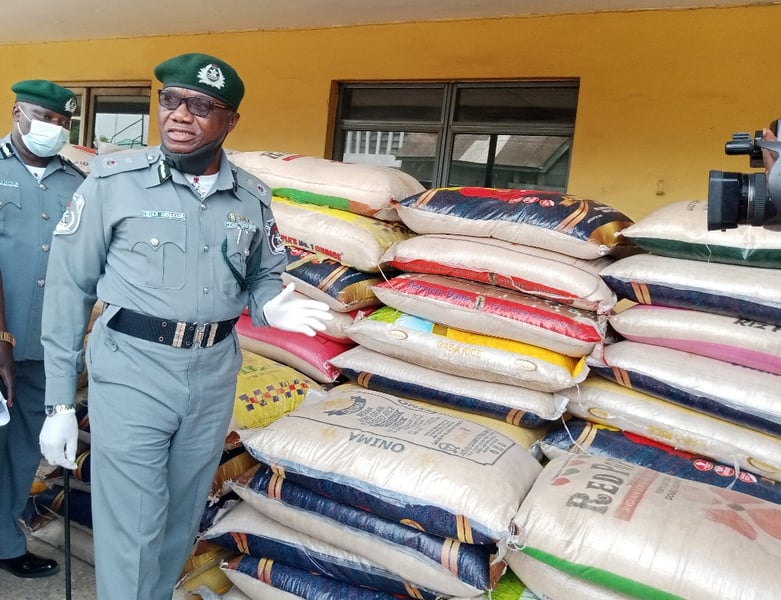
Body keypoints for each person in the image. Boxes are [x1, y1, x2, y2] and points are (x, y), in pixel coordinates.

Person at [38, 53, 332, 600]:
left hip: (214, 370)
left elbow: (265, 274)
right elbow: (66, 291)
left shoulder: (251, 196)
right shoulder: (112, 183)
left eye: (201, 106)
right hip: (132, 368)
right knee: (133, 523)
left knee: (179, 516)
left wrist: (273, 305)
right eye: (170, 100)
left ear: (231, 121)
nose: (179, 115)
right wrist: (57, 403)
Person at [0, 79, 83, 579]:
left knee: (25, 445)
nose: (54, 128)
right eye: (44, 116)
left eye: (63, 121)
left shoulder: (77, 183)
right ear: (16, 112)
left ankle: (6, 541)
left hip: (45, 344)